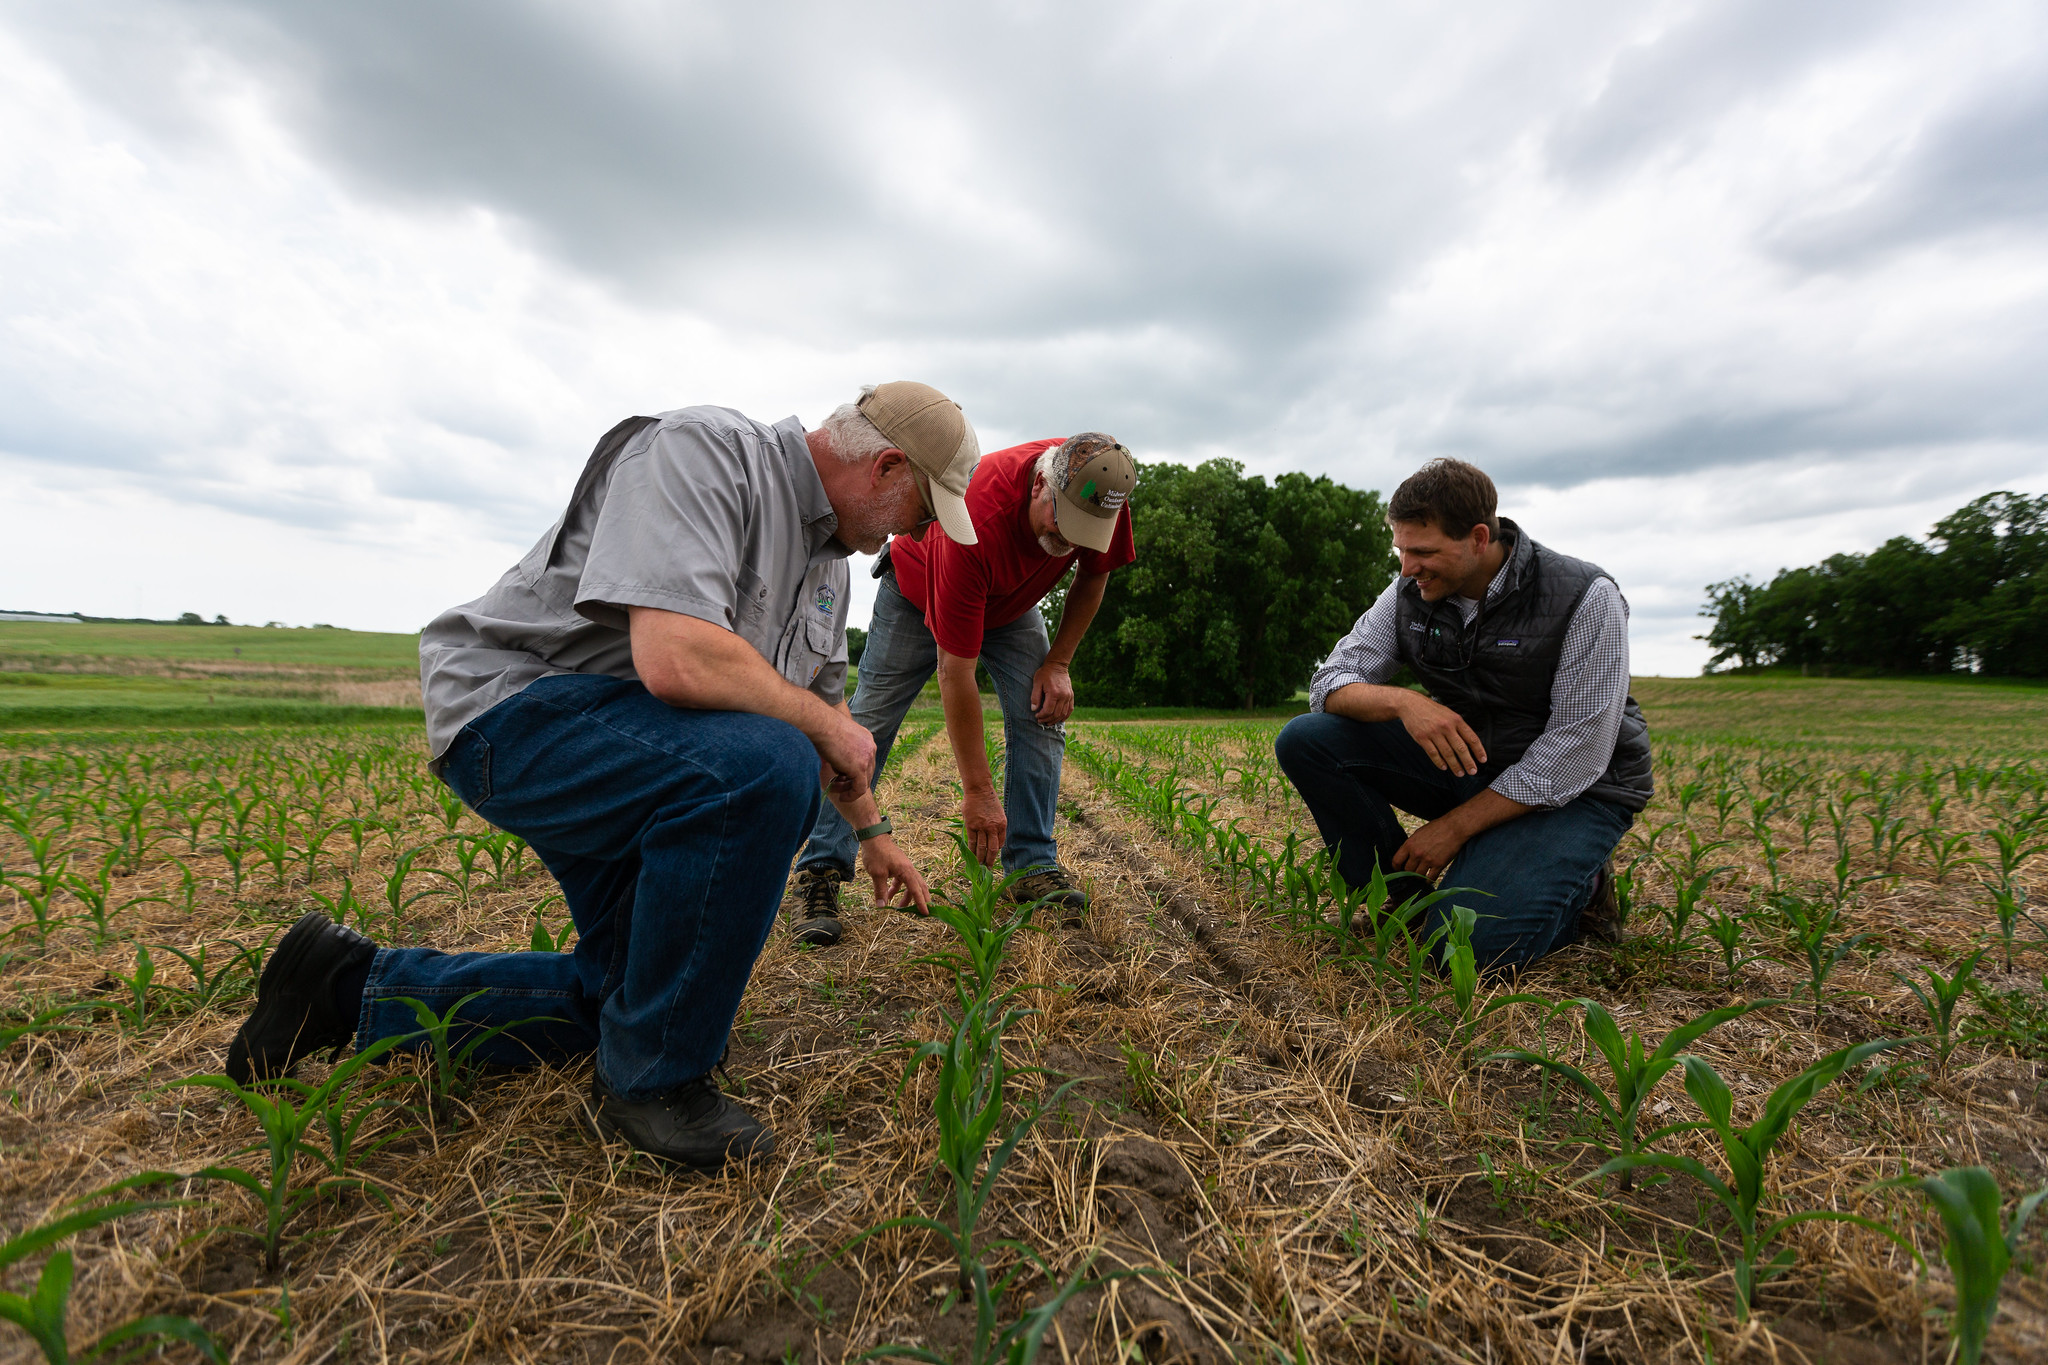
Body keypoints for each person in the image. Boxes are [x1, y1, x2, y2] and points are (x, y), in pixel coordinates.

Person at [224, 382, 981, 1170]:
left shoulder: (830, 573)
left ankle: (345, 986)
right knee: (765, 765)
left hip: (642, 747)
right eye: (923, 510)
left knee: (631, 999)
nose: (920, 531)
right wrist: (823, 726)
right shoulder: (707, 452)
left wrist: (874, 834)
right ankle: (658, 1085)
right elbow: (678, 657)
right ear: (886, 466)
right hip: (516, 710)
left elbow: (833, 737)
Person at [1274, 457, 1651, 974]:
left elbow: (1576, 752)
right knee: (1308, 739)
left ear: (1478, 538)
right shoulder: (1411, 591)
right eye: (1401, 550)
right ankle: (1402, 904)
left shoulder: (1585, 597)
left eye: (1423, 551)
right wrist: (1407, 702)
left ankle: (1582, 889)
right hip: (1476, 762)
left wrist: (1453, 830)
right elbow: (1330, 683)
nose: (1408, 567)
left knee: (1459, 953)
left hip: (1577, 792)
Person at [786, 433, 1138, 946]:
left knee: (1046, 714)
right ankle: (820, 871)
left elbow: (1094, 576)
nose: (1072, 543)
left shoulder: (1104, 489)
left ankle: (1033, 867)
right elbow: (956, 672)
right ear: (1041, 483)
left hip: (1011, 606)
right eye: (1063, 526)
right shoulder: (977, 517)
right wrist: (977, 791)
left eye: (1086, 533)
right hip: (918, 588)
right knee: (866, 728)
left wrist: (1058, 662)